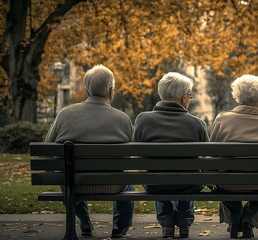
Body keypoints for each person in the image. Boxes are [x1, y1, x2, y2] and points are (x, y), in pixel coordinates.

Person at [45, 64, 134, 238]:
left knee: (67, 176)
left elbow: (47, 150)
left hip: (74, 184)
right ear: (111, 90)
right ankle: (119, 228)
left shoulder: (65, 114)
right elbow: (128, 157)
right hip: (113, 185)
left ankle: (85, 222)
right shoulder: (122, 119)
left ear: (87, 90)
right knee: (128, 182)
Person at [133, 72, 208, 238]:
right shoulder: (197, 124)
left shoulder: (142, 120)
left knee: (158, 177)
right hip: (188, 185)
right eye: (189, 95)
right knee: (189, 177)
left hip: (155, 184)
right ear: (183, 98)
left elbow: (137, 156)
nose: (190, 99)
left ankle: (167, 224)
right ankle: (184, 222)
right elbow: (205, 161)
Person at [210, 74, 258, 239]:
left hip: (228, 184)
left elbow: (212, 154)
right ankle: (248, 221)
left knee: (220, 178)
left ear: (237, 98)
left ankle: (235, 221)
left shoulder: (222, 120)